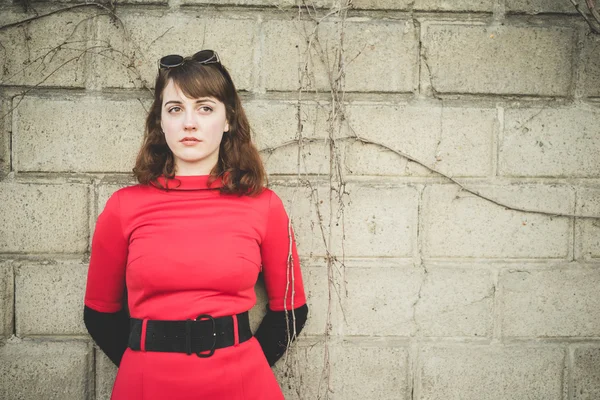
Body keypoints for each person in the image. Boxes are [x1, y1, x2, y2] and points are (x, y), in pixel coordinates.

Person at [83, 49, 308, 400]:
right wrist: (142, 365)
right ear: (160, 121)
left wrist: (245, 367)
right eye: (175, 109)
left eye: (205, 108)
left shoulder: (264, 206)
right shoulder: (123, 207)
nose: (190, 122)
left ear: (228, 119)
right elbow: (99, 315)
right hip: (146, 384)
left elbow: (291, 312)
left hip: (242, 384)